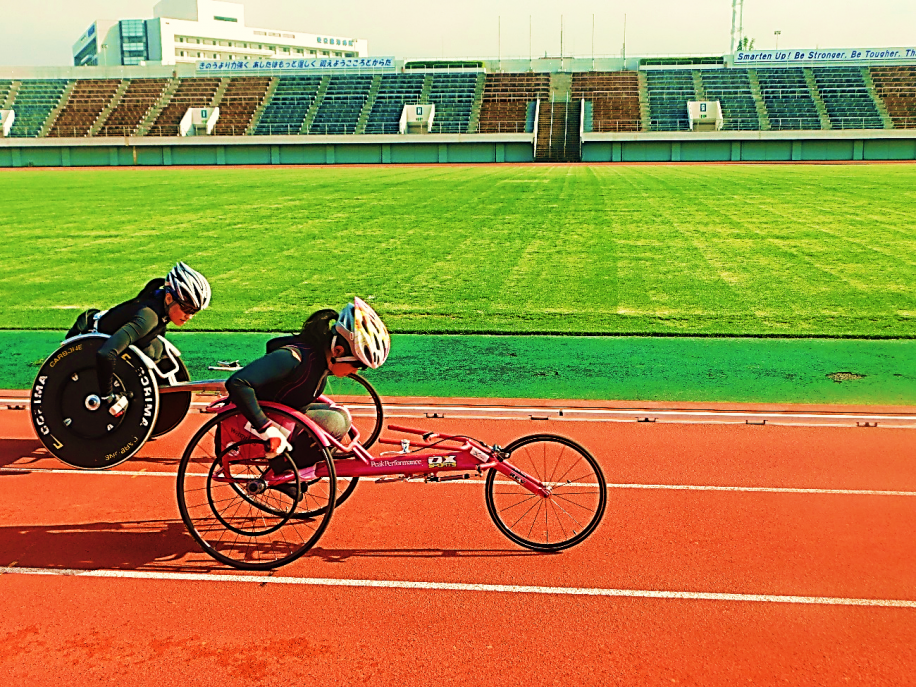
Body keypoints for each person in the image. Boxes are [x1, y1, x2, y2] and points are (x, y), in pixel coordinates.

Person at [225, 297, 390, 495]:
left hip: (285, 419)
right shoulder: (293, 357)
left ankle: (293, 466)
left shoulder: (322, 359)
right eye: (358, 365)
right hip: (251, 423)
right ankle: (284, 469)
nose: (356, 372)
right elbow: (238, 383)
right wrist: (267, 430)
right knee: (334, 421)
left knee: (340, 416)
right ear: (337, 350)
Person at [66, 261, 211, 415]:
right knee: (151, 351)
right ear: (169, 298)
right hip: (86, 335)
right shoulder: (148, 318)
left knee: (155, 350)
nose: (189, 316)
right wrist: (107, 397)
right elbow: (105, 353)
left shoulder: (161, 305)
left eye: (194, 311)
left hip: (108, 330)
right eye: (186, 309)